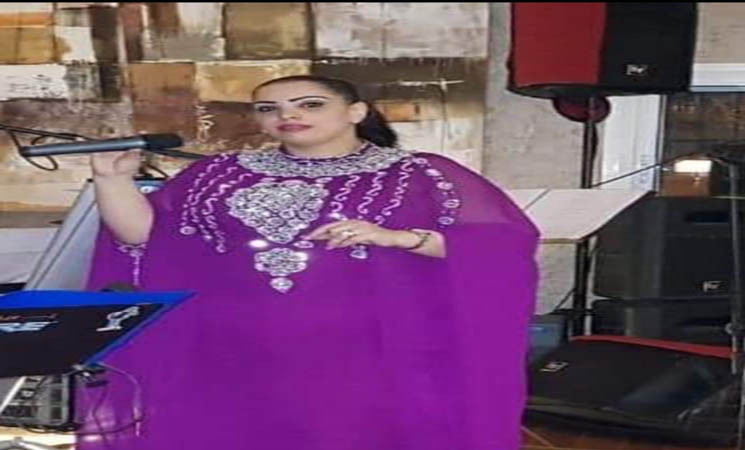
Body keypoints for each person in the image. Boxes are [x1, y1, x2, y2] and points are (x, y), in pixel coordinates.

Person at [77, 75, 539, 450]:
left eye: (310, 105)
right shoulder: (219, 173)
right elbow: (145, 239)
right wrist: (112, 182)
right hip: (231, 348)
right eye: (269, 108)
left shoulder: (419, 173)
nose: (287, 116)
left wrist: (397, 238)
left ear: (356, 112)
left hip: (365, 351)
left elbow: (501, 246)